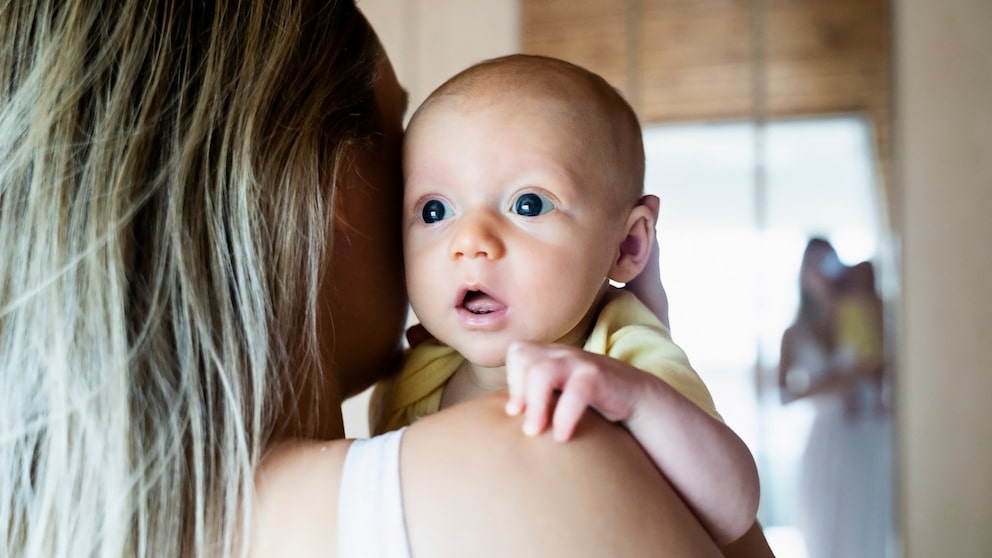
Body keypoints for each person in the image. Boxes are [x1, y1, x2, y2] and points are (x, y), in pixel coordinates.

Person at [0, 2, 773, 557]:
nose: (470, 242)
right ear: (327, 188)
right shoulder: (528, 462)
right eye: (427, 193)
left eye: (527, 203)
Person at [370, 54, 759, 544]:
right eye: (434, 210)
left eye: (528, 204)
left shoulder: (622, 356)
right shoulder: (419, 377)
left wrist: (637, 401)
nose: (469, 240)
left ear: (627, 245)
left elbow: (733, 509)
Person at [778, 237, 893, 558]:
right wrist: (834, 384)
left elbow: (882, 363)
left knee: (867, 530)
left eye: (826, 262)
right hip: (826, 440)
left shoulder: (862, 311)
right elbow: (784, 395)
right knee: (824, 533)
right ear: (803, 274)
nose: (821, 272)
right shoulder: (794, 332)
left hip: (867, 432)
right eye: (812, 265)